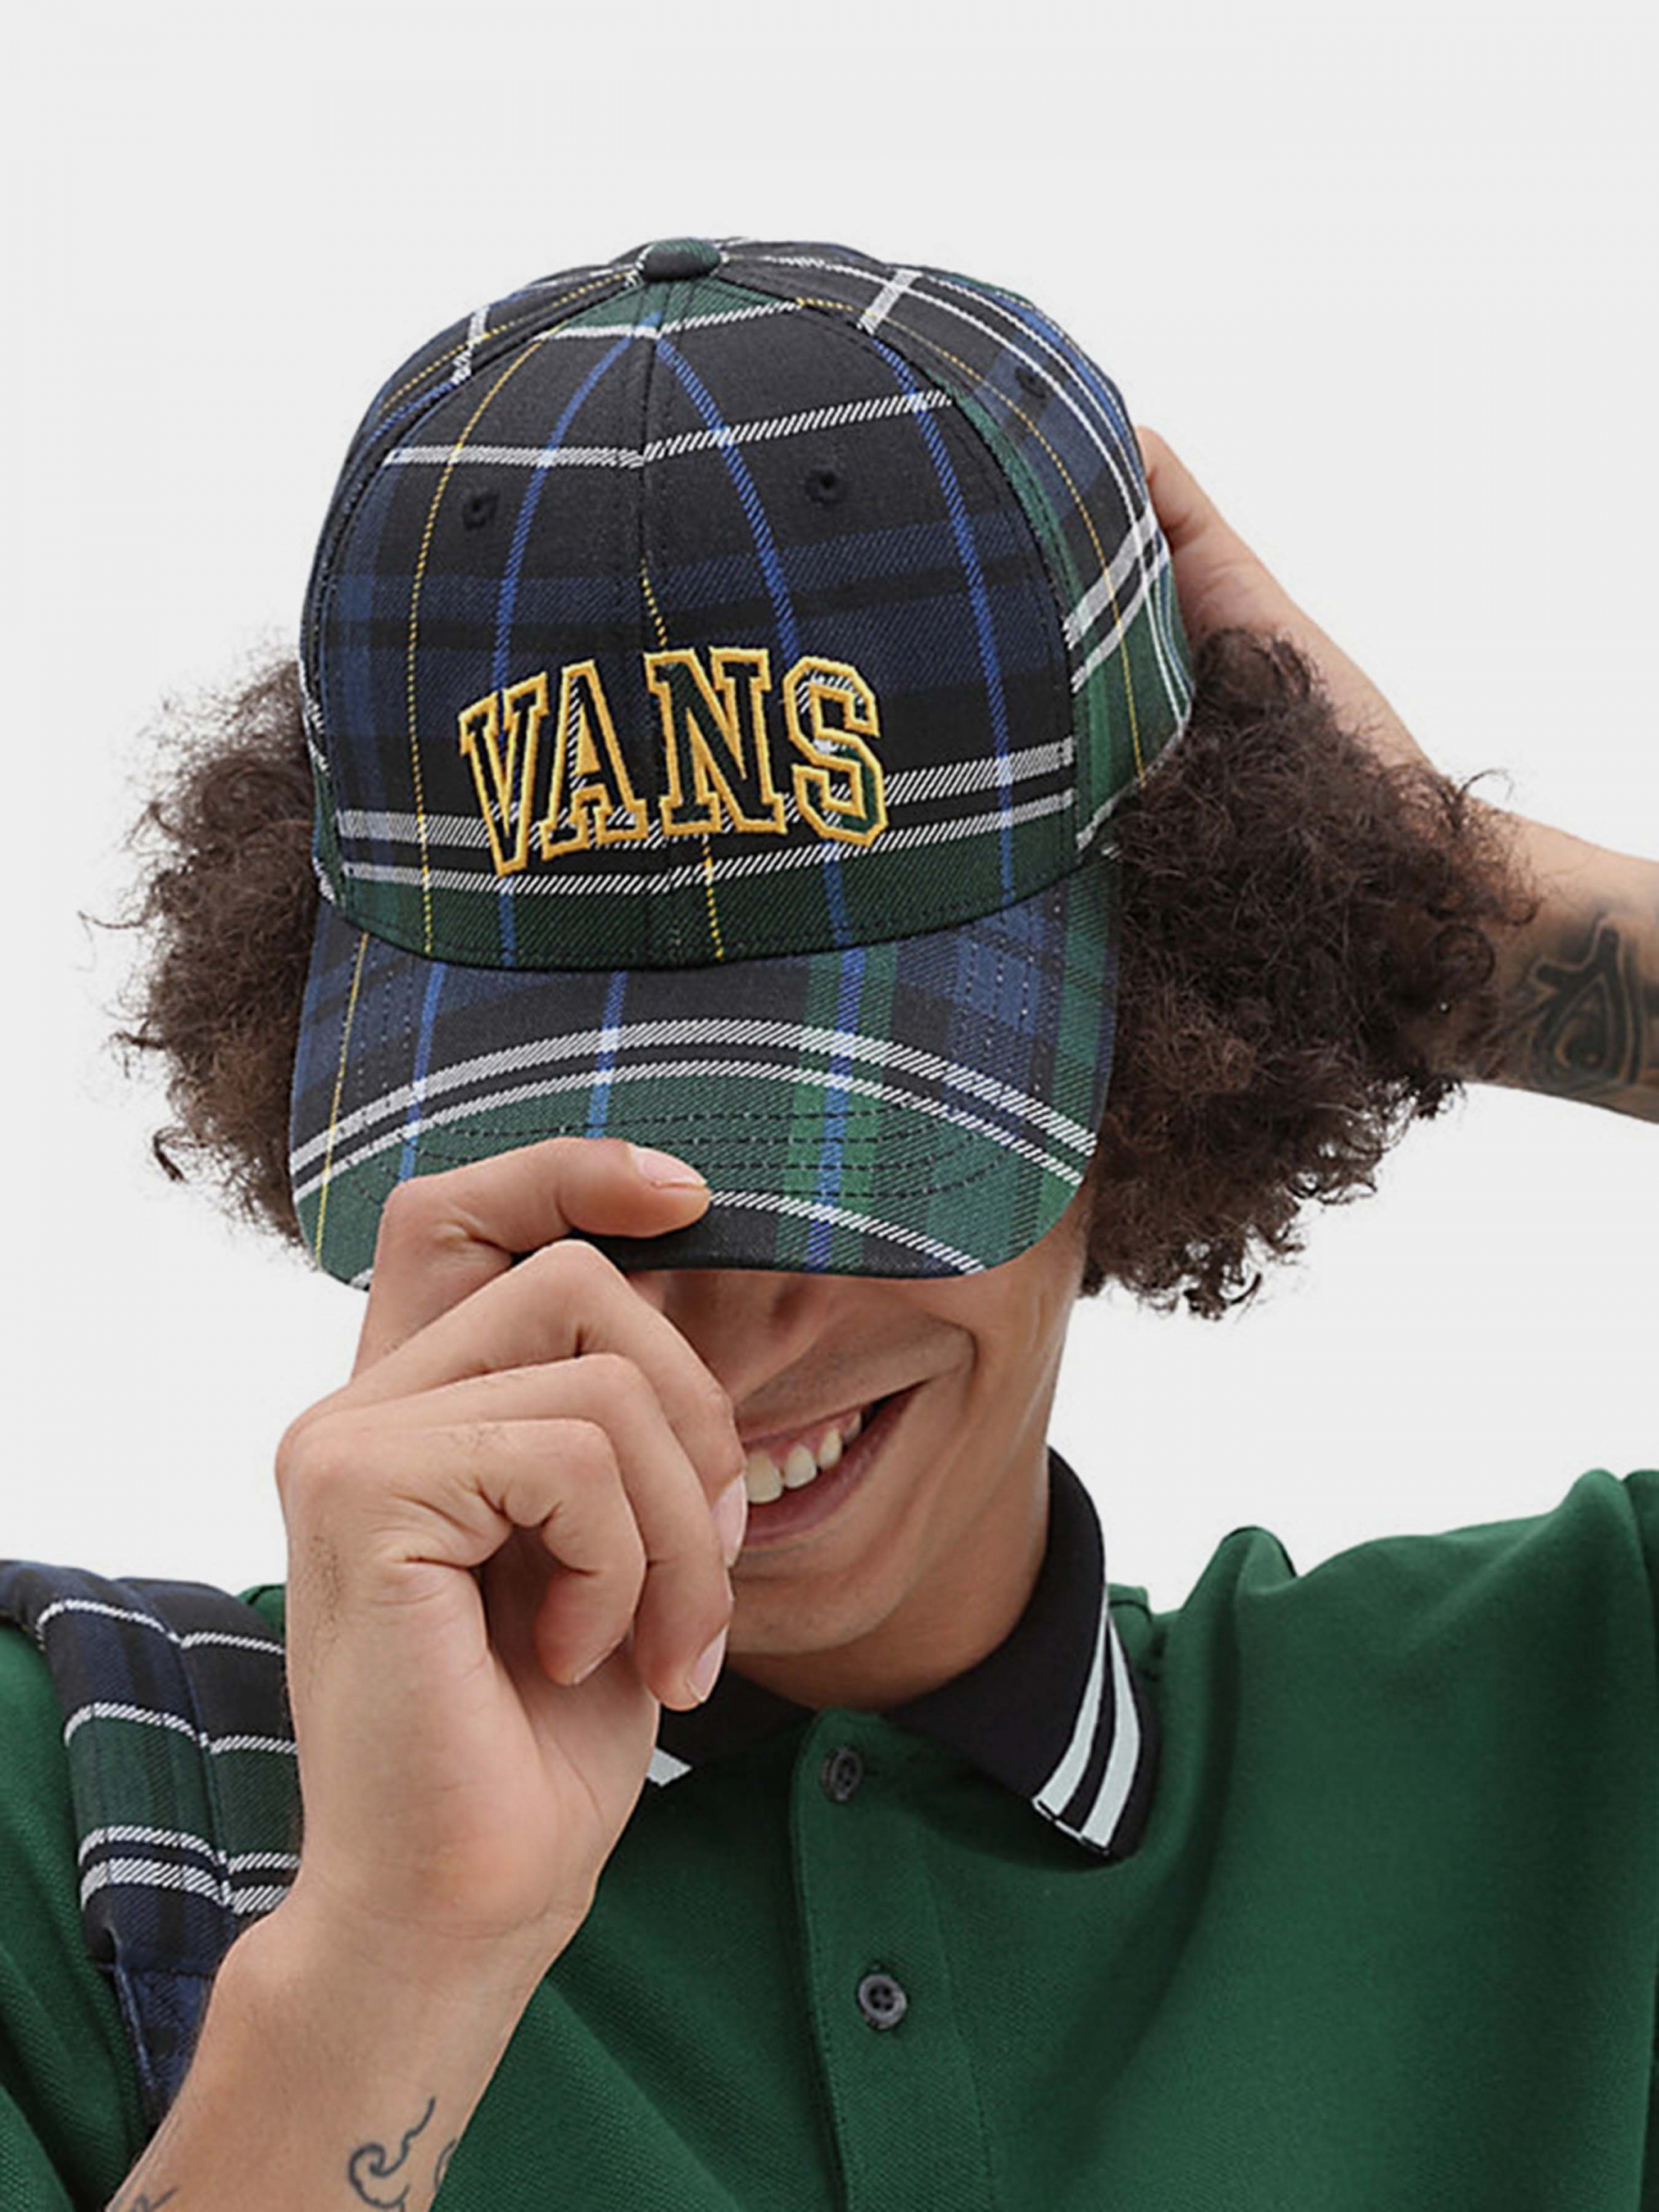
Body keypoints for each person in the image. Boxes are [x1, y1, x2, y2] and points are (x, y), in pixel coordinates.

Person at [0, 235, 1652, 2212]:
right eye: (577, 1166)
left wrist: (1438, 917)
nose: (717, 1327)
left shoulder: (1575, 1750)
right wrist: (387, 1970)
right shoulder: (70, 1821)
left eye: (864, 1152)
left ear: (1164, 1030)